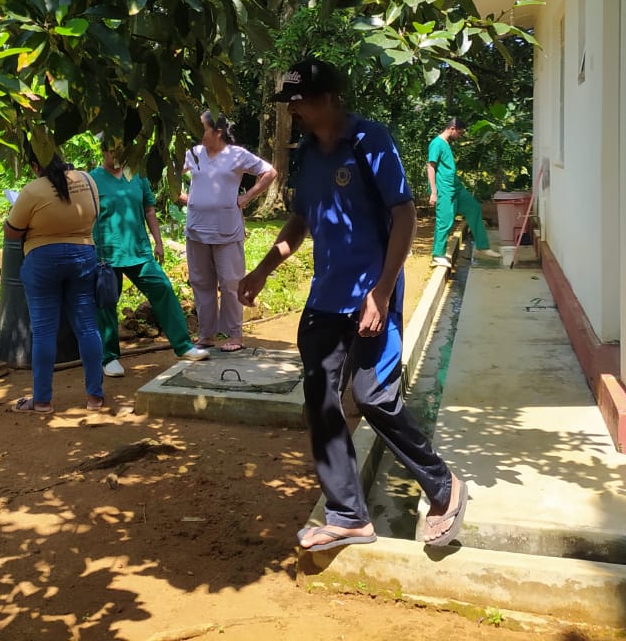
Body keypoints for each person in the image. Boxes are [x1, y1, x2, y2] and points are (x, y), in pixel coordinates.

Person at [238, 58, 467, 551]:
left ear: (328, 99)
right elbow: (301, 221)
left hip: (371, 294)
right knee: (319, 402)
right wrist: (262, 269)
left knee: (372, 398)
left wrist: (382, 290)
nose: (293, 111)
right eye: (289, 104)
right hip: (325, 297)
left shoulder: (371, 141)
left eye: (298, 102)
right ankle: (347, 515)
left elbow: (403, 214)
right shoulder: (305, 156)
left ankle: (445, 488)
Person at [89, 143, 210, 377]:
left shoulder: (137, 175)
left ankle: (183, 346)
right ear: (102, 151)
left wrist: (159, 241)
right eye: (111, 150)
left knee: (163, 289)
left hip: (139, 251)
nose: (115, 154)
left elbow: (149, 211)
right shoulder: (92, 180)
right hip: (106, 253)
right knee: (105, 304)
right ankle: (109, 357)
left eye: (119, 150)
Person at [4, 149, 105, 414]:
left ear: (36, 165)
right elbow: (96, 213)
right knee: (87, 327)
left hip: (42, 261)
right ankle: (95, 398)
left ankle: (42, 402)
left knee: (44, 331)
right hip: (83, 256)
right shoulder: (87, 180)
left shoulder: (33, 190)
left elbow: (12, 233)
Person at [181, 110, 276, 353]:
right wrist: (184, 197)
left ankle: (235, 335)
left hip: (226, 231)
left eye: (203, 127)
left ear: (218, 132)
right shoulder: (193, 154)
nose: (199, 133)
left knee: (231, 283)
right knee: (201, 283)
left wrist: (247, 196)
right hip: (196, 229)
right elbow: (171, 174)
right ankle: (206, 335)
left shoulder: (237, 155)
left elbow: (270, 172)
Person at [426, 118, 500, 268]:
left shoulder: (447, 144)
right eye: (460, 132)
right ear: (452, 128)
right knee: (445, 220)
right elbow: (430, 167)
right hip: (444, 189)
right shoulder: (436, 143)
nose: (460, 135)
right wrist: (434, 192)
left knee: (474, 208)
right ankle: (438, 255)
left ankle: (482, 246)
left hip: (456, 187)